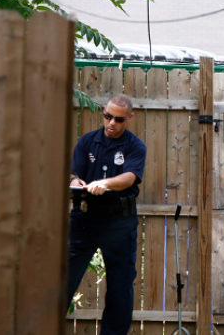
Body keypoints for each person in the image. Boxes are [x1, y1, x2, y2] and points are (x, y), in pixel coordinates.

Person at [68, 94, 146, 335]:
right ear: (103, 113)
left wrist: (106, 183)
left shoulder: (135, 146)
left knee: (120, 288)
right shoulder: (87, 142)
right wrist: (77, 181)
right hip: (85, 219)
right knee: (64, 279)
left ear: (129, 118)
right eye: (108, 117)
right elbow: (72, 174)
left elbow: (129, 178)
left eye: (119, 120)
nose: (112, 123)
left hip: (119, 222)